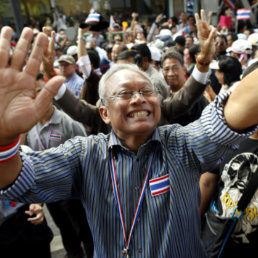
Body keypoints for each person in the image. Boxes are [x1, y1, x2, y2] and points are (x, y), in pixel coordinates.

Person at [3, 10, 257, 257]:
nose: (139, 99)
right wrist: (4, 137)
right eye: (125, 93)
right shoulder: (84, 155)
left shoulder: (183, 143)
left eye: (147, 92)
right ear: (104, 113)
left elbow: (236, 111)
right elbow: (21, 179)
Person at [24, 73, 93, 258]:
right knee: (67, 234)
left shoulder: (68, 123)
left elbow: (87, 160)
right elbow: (31, 164)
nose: (36, 98)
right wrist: (37, 201)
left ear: (51, 93)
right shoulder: (30, 127)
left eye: (40, 92)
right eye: (31, 94)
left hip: (75, 194)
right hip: (50, 195)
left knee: (87, 234)